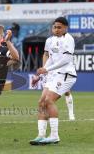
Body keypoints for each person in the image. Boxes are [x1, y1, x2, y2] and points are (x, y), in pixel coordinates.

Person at [30, 17, 77, 145]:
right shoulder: (50, 40)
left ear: (65, 28)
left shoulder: (68, 39)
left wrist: (47, 69)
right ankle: (41, 135)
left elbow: (66, 60)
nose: (56, 29)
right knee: (41, 102)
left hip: (66, 74)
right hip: (55, 75)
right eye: (54, 27)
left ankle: (54, 136)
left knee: (48, 100)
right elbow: (50, 58)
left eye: (59, 27)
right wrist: (41, 73)